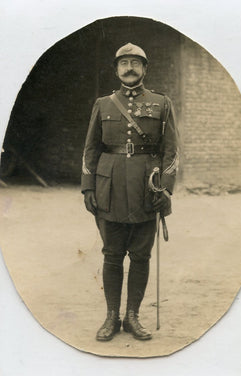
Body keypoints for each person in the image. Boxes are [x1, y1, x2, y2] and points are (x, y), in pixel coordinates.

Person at [81, 43, 179, 341]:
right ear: (116, 69)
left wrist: (165, 188)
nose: (129, 68)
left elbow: (171, 151)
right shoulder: (103, 104)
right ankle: (111, 318)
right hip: (108, 187)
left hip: (145, 188)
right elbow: (90, 148)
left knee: (140, 256)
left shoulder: (162, 104)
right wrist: (88, 186)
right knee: (112, 255)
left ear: (145, 68)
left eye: (136, 62)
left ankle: (132, 317)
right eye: (124, 63)